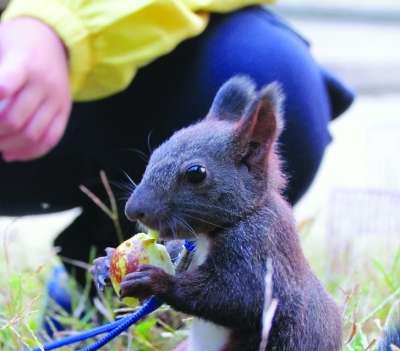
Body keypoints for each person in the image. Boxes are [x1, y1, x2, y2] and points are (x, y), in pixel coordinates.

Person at [0, 1, 354, 286]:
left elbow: (229, 303)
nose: (132, 206)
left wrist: (58, 25)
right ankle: (115, 275)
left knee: (266, 64)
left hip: (96, 45)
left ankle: (108, 283)